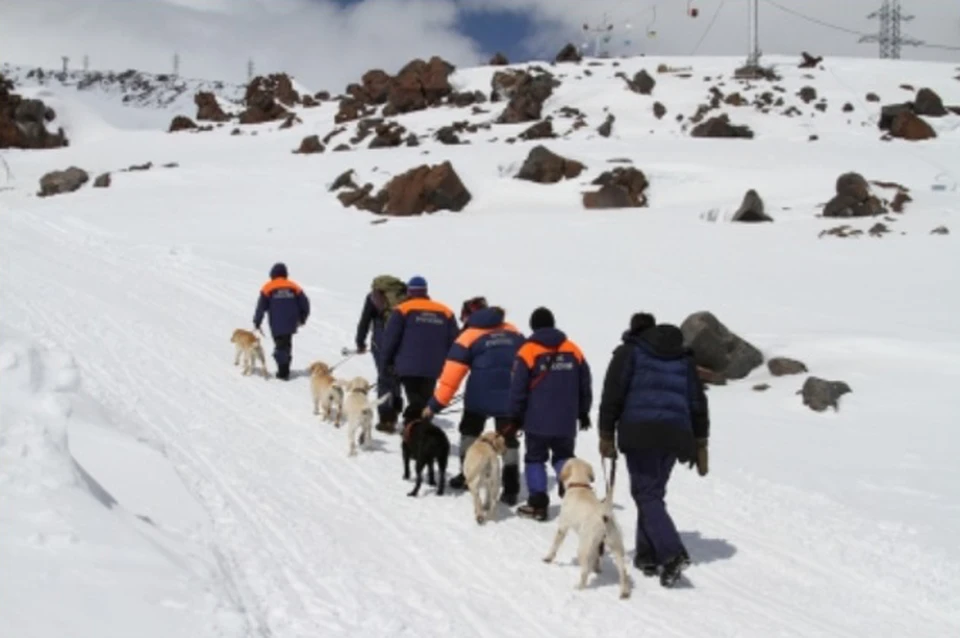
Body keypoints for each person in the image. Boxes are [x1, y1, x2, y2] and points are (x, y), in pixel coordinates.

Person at [597, 312, 710, 589]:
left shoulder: (629, 352)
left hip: (641, 431)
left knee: (646, 493)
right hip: (677, 434)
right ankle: (647, 555)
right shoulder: (683, 359)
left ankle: (672, 553)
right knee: (653, 493)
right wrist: (700, 441)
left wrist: (606, 434)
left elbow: (612, 395)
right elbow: (697, 402)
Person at [422, 300, 525, 504]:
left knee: (469, 434)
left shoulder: (468, 336)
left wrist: (434, 405)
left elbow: (450, 379)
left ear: (468, 317)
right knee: (509, 441)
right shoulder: (513, 332)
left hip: (478, 396)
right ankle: (511, 488)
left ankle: (467, 475)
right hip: (510, 397)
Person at [506, 307, 592, 521]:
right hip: (565, 420)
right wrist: (583, 412)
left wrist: (515, 416)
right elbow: (585, 384)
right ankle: (573, 494)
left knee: (535, 459)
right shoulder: (573, 349)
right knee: (563, 457)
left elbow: (517, 388)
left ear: (533, 326)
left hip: (536, 420)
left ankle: (538, 505)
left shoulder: (527, 351)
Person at [380, 276, 458, 430]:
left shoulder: (402, 309)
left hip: (407, 365)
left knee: (415, 399)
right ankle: (422, 427)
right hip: (435, 366)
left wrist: (385, 363)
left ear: (409, 291)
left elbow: (390, 339)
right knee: (425, 398)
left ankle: (414, 430)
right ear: (426, 291)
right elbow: (455, 341)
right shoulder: (445, 311)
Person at [355, 275, 407, 432]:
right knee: (397, 376)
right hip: (401, 342)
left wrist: (360, 341)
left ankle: (386, 419)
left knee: (384, 377)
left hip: (381, 342)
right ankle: (396, 409)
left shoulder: (373, 297)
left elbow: (365, 320)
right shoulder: (403, 295)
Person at [253, 262, 310, 380]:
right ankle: (284, 368)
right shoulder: (294, 286)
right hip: (291, 322)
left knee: (280, 346)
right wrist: (303, 318)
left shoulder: (268, 287)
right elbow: (305, 303)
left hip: (276, 323)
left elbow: (261, 307)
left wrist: (257, 322)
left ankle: (283, 372)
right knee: (286, 344)